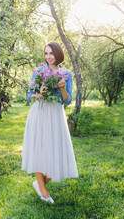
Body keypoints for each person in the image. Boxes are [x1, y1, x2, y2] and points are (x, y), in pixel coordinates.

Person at [22, 41, 78, 204]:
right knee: (39, 149)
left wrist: (61, 88)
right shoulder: (39, 71)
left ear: (58, 54)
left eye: (51, 53)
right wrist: (38, 93)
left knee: (57, 152)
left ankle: (39, 184)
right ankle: (44, 191)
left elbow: (67, 101)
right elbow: (29, 96)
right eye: (46, 53)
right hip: (39, 113)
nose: (48, 57)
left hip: (55, 115)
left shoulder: (66, 73)